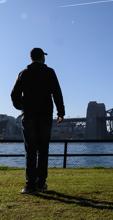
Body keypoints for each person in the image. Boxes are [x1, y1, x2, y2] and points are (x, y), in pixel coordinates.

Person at [11, 48, 65, 194]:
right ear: (42, 57)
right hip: (45, 117)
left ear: (31, 58)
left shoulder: (24, 73)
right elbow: (57, 93)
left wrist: (23, 107)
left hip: (28, 117)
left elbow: (14, 95)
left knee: (30, 150)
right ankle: (41, 184)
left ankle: (30, 185)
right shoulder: (50, 72)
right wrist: (61, 112)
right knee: (43, 150)